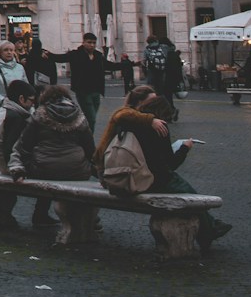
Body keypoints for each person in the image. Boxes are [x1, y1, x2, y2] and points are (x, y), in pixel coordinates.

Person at [97, 92, 232, 244]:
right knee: (188, 192)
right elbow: (169, 164)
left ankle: (211, 226)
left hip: (119, 175)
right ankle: (209, 230)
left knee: (184, 188)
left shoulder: (127, 123)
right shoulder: (159, 128)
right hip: (147, 180)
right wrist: (184, 148)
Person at [8, 84, 95, 229]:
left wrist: (17, 168)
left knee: (43, 165)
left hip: (44, 169)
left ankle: (40, 213)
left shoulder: (39, 116)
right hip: (77, 170)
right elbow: (90, 149)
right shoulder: (80, 116)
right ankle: (90, 219)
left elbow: (24, 145)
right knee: (63, 166)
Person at [0, 79, 38, 229]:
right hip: (6, 166)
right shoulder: (15, 118)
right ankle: (41, 214)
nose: (33, 104)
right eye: (31, 100)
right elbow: (11, 150)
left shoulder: (5, 111)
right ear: (21, 99)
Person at [54, 33, 111, 127]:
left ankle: (82, 136)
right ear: (83, 42)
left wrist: (129, 64)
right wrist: (48, 55)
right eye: (89, 42)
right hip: (83, 91)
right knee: (91, 119)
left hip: (96, 91)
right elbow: (61, 58)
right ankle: (88, 141)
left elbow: (110, 65)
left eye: (94, 43)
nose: (92, 45)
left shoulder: (98, 56)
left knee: (89, 118)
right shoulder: (76, 54)